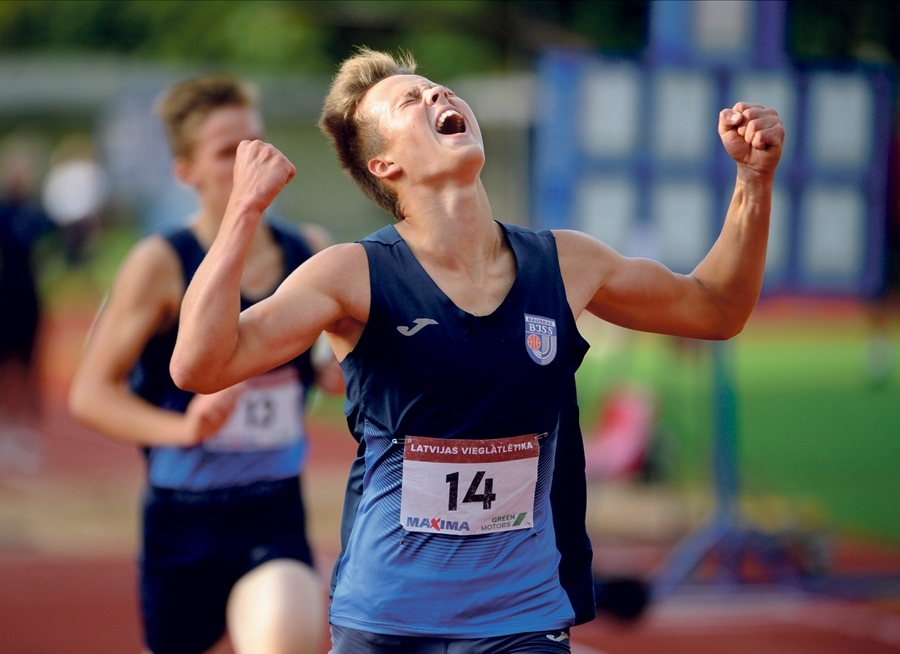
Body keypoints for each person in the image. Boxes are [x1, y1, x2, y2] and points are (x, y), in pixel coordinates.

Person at [170, 49, 784, 652]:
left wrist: (754, 180)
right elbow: (200, 364)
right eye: (409, 100)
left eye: (438, 88)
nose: (437, 94)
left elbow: (715, 309)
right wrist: (243, 210)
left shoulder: (565, 264)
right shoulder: (351, 275)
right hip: (386, 620)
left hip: (521, 620)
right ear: (384, 164)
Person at [68, 75, 337, 654]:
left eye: (254, 144)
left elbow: (332, 371)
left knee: (286, 638)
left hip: (273, 512)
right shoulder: (161, 263)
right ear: (185, 172)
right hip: (183, 522)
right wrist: (183, 429)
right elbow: (91, 394)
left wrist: (341, 372)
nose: (248, 163)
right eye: (226, 152)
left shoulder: (309, 252)